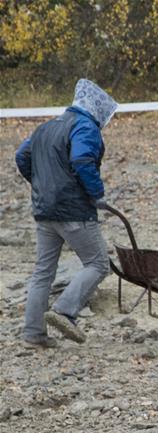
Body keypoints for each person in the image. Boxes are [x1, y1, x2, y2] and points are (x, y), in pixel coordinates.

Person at [15, 79, 118, 347]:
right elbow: (82, 160)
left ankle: (33, 333)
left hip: (44, 211)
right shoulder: (85, 127)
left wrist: (42, 185)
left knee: (43, 272)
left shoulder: (46, 127)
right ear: (96, 108)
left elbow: (22, 156)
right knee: (97, 264)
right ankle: (64, 310)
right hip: (74, 211)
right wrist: (96, 194)